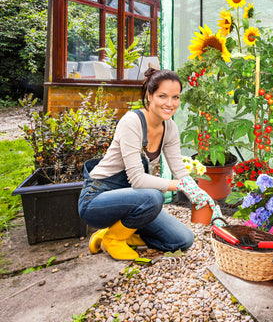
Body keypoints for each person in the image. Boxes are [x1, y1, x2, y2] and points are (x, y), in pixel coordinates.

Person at [78, 68, 195, 260]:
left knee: (183, 240)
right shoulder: (132, 122)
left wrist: (200, 195)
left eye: (176, 97)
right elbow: (138, 180)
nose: (170, 103)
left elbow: (179, 171)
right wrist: (178, 186)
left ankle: (120, 233)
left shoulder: (170, 128)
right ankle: (113, 239)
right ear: (149, 95)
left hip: (134, 201)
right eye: (162, 96)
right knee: (154, 197)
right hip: (98, 199)